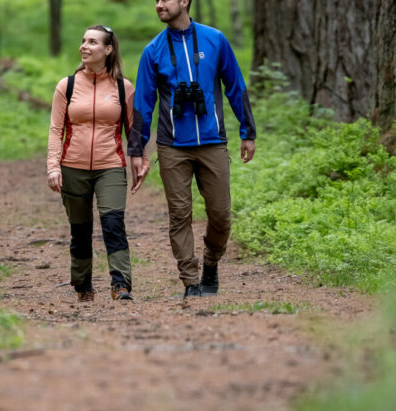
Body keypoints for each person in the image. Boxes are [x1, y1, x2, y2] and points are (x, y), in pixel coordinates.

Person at [127, 0, 257, 298]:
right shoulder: (153, 50)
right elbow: (143, 105)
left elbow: (235, 86)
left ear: (184, 1)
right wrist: (137, 150)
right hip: (172, 145)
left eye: (165, 0)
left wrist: (248, 132)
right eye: (156, 1)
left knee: (221, 215)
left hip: (213, 142)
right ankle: (190, 281)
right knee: (180, 214)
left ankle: (211, 263)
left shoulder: (215, 39)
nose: (159, 5)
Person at [47, 25, 145, 302]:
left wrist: (141, 160)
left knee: (113, 223)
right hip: (72, 166)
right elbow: (56, 130)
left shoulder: (122, 87)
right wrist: (53, 166)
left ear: (108, 49)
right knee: (80, 230)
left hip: (110, 165)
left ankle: (121, 284)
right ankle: (83, 286)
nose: (84, 46)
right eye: (83, 41)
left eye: (92, 42)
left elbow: (133, 130)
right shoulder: (66, 85)